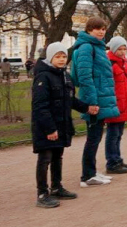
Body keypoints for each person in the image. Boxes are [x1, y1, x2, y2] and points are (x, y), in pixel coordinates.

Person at [31, 42, 98, 208]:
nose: (61, 60)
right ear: (50, 57)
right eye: (58, 56)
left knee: (57, 157)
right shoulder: (43, 77)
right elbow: (40, 106)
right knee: (45, 158)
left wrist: (86, 108)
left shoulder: (65, 75)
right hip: (46, 126)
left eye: (63, 56)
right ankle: (42, 193)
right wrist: (49, 128)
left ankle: (56, 187)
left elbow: (70, 99)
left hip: (62, 124)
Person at [72, 17, 119, 188]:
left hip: (100, 97)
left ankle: (91, 171)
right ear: (89, 30)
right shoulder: (86, 47)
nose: (100, 31)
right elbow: (84, 77)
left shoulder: (97, 47)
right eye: (97, 29)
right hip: (94, 100)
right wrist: (91, 103)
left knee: (96, 137)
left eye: (103, 29)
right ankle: (87, 175)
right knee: (93, 138)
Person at [105, 36, 127, 175]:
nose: (122, 51)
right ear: (113, 49)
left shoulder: (124, 62)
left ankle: (117, 159)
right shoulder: (109, 63)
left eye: (124, 48)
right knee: (113, 134)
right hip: (115, 103)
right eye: (120, 49)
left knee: (118, 133)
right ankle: (112, 162)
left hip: (125, 102)